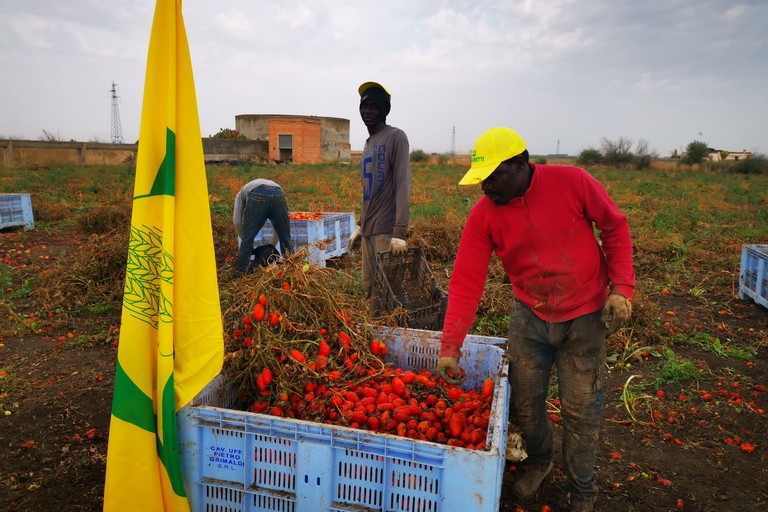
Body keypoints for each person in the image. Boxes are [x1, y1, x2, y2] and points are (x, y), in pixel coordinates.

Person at [436, 127, 635, 512]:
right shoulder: (484, 215)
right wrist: (450, 348)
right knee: (526, 404)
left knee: (581, 409)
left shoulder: (573, 182)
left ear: (522, 164)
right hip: (530, 316)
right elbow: (465, 281)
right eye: (482, 179)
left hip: (585, 316)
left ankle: (583, 490)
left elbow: (614, 226)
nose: (486, 187)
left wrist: (622, 287)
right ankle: (541, 461)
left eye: (494, 177)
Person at [349, 81, 411, 316]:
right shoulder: (368, 144)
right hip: (368, 229)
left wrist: (399, 231)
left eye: (374, 106)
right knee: (369, 286)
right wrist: (359, 225)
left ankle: (389, 334)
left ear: (384, 110)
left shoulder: (396, 137)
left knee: (386, 290)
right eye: (364, 106)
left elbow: (403, 183)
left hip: (386, 229)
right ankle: (376, 330)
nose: (368, 111)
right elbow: (369, 189)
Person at [232, 178, 293, 277]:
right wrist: (271, 246)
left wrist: (246, 240)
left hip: (257, 193)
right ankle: (292, 270)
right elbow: (280, 228)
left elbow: (237, 221)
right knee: (285, 237)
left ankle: (240, 273)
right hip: (279, 192)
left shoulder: (240, 194)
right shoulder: (271, 187)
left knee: (248, 237)